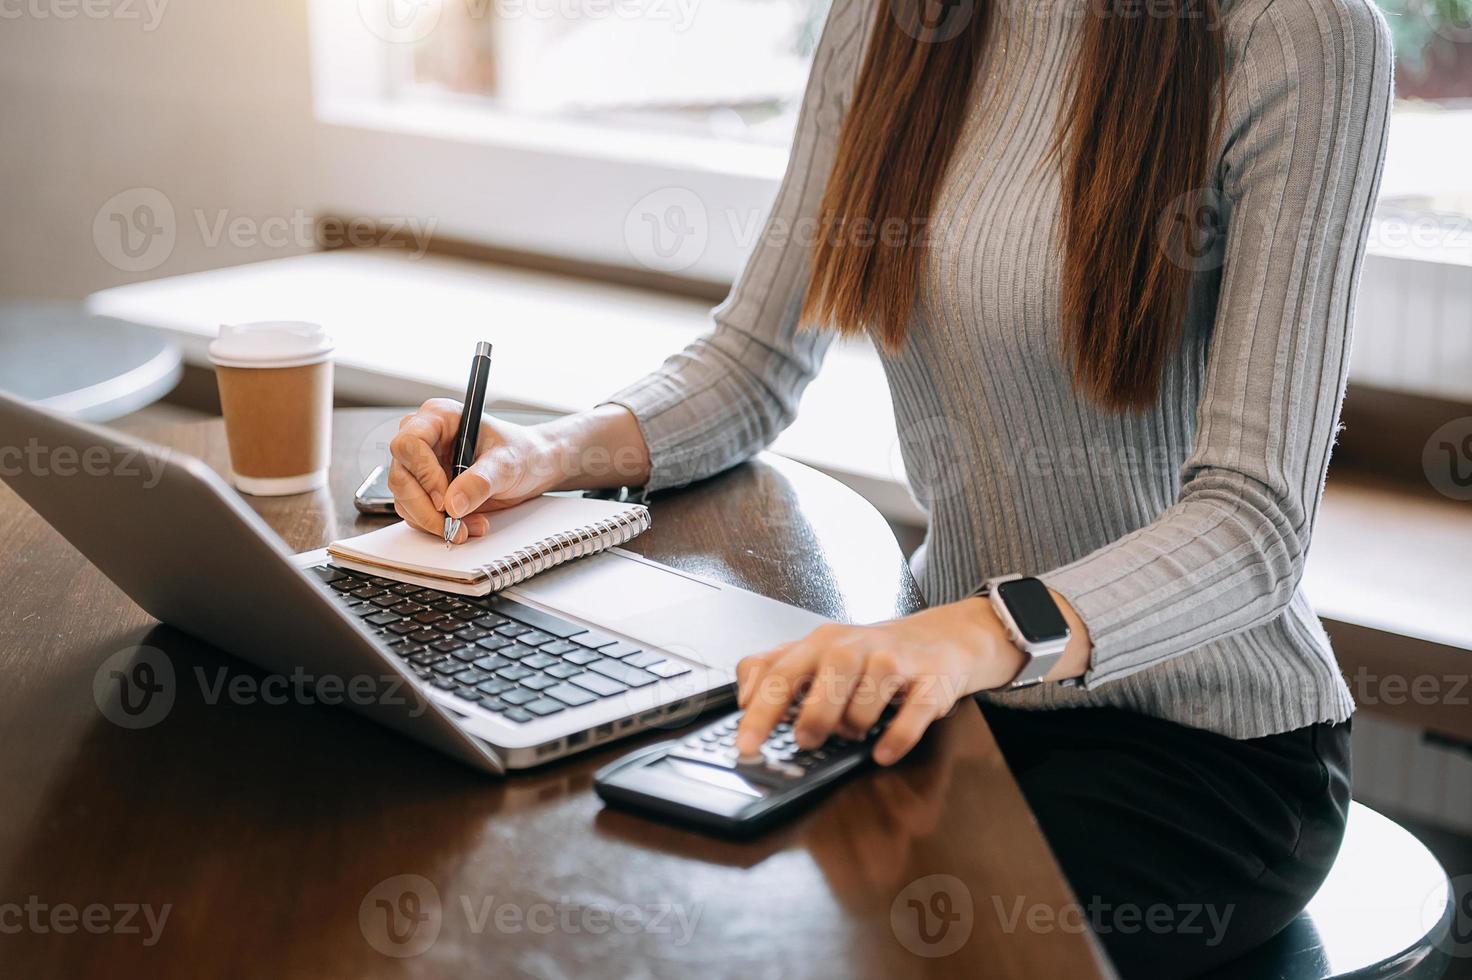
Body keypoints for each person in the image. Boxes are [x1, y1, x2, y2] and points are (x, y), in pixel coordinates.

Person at [389, 0, 1392, 972]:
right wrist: (547, 456)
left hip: (1202, 750)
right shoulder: (885, 20)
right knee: (663, 899)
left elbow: (1251, 525)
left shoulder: (1300, 35)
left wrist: (976, 632)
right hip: (956, 697)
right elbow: (751, 364)